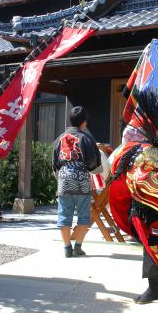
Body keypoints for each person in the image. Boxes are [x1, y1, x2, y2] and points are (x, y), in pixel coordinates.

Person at [52, 106, 102, 258]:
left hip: (64, 180)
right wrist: (94, 171)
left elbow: (55, 163)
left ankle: (67, 248)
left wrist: (60, 177)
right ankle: (78, 247)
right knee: (84, 217)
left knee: (64, 216)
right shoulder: (86, 138)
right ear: (84, 123)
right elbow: (94, 162)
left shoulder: (59, 138)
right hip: (81, 181)